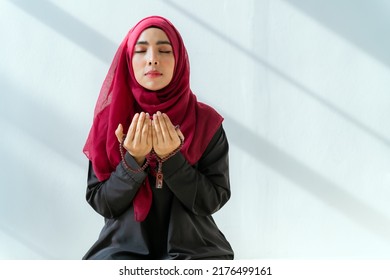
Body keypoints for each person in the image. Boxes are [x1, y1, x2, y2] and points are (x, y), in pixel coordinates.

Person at [82, 15, 234, 260]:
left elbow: (213, 200)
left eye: (164, 50)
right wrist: (133, 162)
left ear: (179, 60)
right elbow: (102, 202)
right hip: (120, 251)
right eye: (141, 51)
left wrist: (173, 161)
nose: (152, 58)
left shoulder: (206, 122)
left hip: (196, 252)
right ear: (128, 61)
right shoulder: (109, 123)